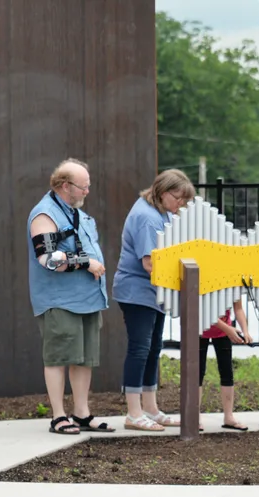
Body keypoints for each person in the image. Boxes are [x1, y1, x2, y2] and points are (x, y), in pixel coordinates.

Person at [27, 158, 110, 436]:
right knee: (58, 357)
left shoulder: (77, 212)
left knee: (84, 358)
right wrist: (86, 262)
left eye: (88, 186)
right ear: (65, 186)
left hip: (88, 298)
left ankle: (82, 413)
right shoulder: (45, 215)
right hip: (60, 301)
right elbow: (48, 259)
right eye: (83, 187)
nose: (87, 191)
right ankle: (58, 416)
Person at [111, 169, 197, 431]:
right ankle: (133, 413)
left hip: (152, 293)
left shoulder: (159, 212)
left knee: (153, 349)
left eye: (184, 200)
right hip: (137, 291)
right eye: (178, 198)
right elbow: (151, 264)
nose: (180, 204)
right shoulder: (147, 218)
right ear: (162, 192)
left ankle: (150, 408)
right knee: (139, 349)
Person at [198, 306, 252, 431]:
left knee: (227, 372)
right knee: (197, 373)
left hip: (224, 332)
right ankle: (195, 417)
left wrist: (245, 331)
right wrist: (228, 329)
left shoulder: (233, 287)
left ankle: (229, 417)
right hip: (199, 329)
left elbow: (238, 308)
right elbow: (202, 310)